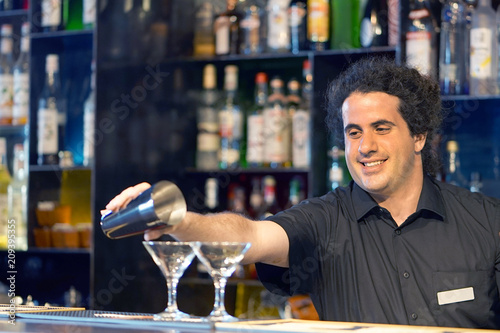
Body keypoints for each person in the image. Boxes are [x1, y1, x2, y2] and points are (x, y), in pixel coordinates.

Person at [104, 57, 500, 329]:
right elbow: (249, 237)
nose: (365, 147)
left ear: (418, 136)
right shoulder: (323, 221)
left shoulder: (486, 221)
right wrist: (179, 219)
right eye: (353, 132)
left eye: (381, 129)